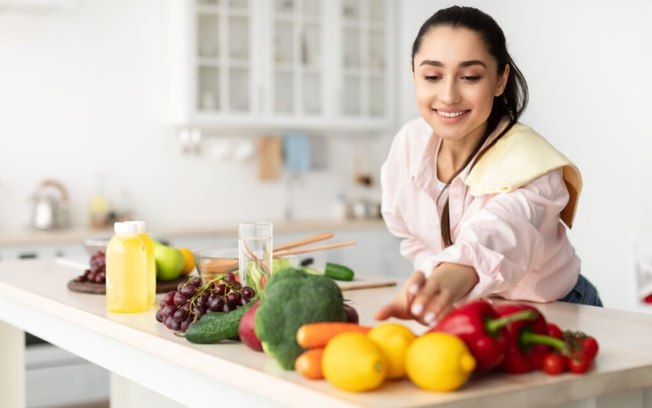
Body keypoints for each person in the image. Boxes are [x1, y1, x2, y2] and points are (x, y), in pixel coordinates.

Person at [374, 5, 602, 327]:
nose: (449, 95)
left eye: (469, 77)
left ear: (499, 80)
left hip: (556, 311)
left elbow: (500, 234)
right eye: (432, 76)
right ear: (414, 76)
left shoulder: (532, 162)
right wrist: (433, 283)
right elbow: (411, 236)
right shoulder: (409, 143)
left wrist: (450, 278)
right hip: (474, 312)